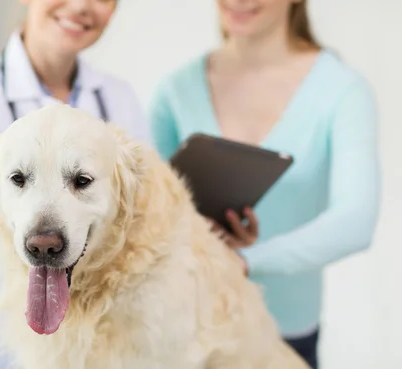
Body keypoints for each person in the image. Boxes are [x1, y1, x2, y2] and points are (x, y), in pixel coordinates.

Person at [148, 0, 381, 368]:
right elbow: (148, 219)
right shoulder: (175, 90)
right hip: (187, 337)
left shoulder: (341, 90)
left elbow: (356, 221)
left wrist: (246, 261)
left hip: (284, 339)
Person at [0, 1, 151, 368]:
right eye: (19, 178)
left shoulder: (118, 98)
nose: (80, 6)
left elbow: (143, 207)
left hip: (98, 347)